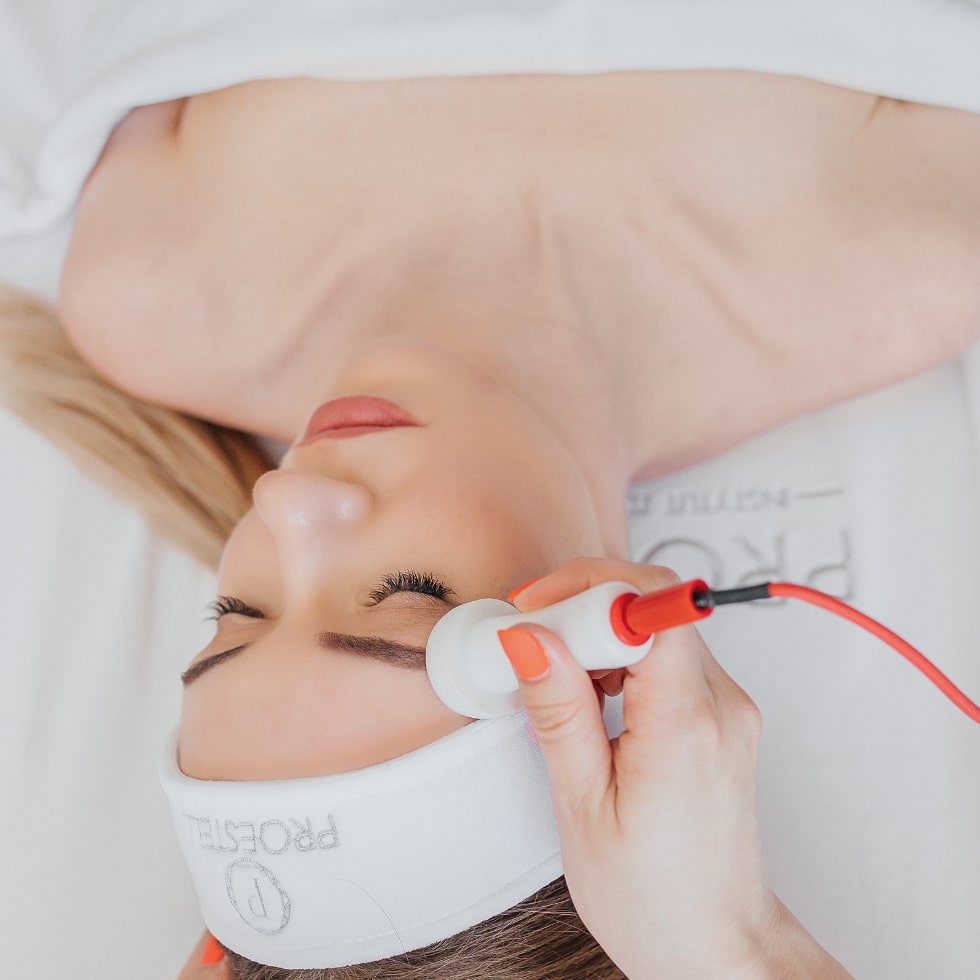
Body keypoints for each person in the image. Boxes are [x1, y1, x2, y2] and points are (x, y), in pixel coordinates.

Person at [1, 4, 979, 977]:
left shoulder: (157, 291)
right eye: (410, 593)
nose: (285, 505)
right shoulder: (899, 264)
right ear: (606, 666)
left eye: (235, 611)